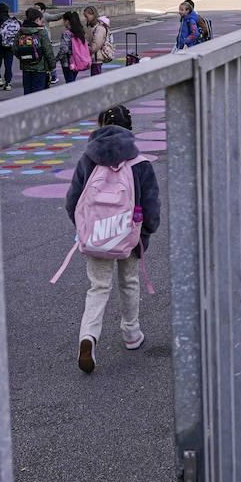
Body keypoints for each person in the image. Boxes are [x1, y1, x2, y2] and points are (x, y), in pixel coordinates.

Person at [65, 109, 161, 372]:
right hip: (129, 236)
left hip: (97, 236)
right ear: (130, 130)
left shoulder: (88, 159)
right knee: (129, 282)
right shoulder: (140, 163)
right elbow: (151, 208)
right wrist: (146, 233)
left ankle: (88, 336)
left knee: (98, 287)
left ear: (100, 126)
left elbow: (72, 200)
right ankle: (131, 334)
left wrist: (86, 228)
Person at [16, 7, 54, 95]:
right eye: (41, 20)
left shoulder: (21, 32)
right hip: (39, 68)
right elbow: (48, 50)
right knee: (38, 92)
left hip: (25, 67)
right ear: (37, 19)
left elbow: (15, 48)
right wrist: (52, 65)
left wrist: (23, 56)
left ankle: (28, 108)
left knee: (27, 91)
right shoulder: (41, 32)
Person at [58, 10, 92, 83]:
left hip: (67, 62)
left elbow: (64, 50)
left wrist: (56, 59)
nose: (63, 23)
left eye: (64, 21)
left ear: (67, 21)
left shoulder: (66, 34)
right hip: (77, 61)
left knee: (69, 82)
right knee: (72, 81)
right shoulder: (80, 32)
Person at [83, 6, 111, 77]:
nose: (86, 18)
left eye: (86, 16)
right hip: (93, 58)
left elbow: (95, 46)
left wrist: (85, 49)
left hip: (96, 59)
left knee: (95, 81)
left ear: (93, 14)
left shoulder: (99, 28)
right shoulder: (91, 26)